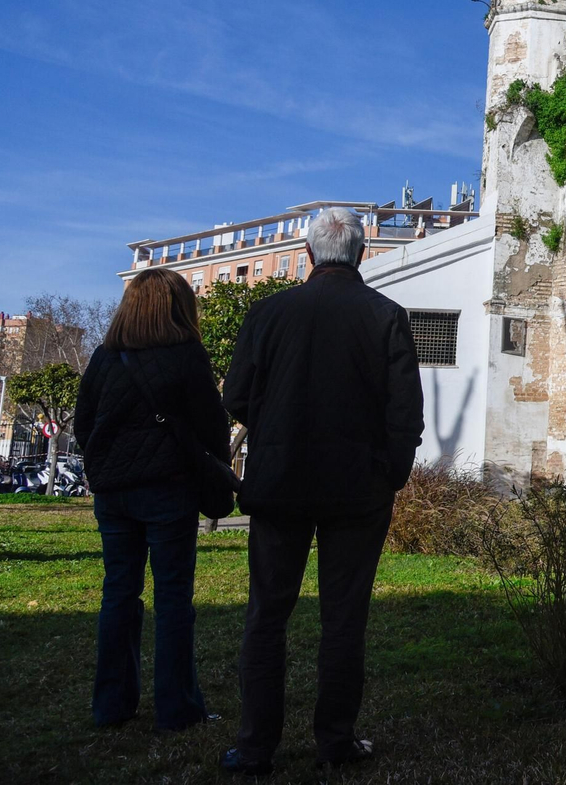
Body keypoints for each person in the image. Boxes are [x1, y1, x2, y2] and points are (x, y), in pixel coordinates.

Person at [219, 207, 423, 775]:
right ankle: (335, 740)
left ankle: (255, 746)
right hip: (358, 487)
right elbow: (405, 411)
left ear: (308, 254)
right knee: (344, 616)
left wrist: (274, 424)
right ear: (361, 253)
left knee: (267, 614)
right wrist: (391, 473)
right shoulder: (386, 316)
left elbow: (235, 396)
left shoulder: (267, 313)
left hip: (279, 480)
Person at [74, 267, 229, 732]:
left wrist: (105, 465)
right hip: (168, 489)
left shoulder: (105, 357)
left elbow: (83, 423)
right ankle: (177, 709)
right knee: (173, 597)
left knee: (119, 593)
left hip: (114, 492)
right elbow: (211, 425)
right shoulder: (187, 355)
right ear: (179, 307)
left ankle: (111, 706)